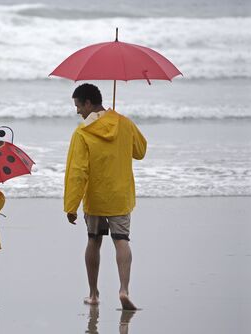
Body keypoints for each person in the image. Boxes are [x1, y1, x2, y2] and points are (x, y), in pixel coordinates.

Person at [64, 83, 147, 310]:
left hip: (95, 197)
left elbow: (77, 172)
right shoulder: (124, 123)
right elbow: (140, 151)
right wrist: (121, 128)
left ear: (88, 103)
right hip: (120, 195)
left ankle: (93, 294)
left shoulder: (82, 133)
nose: (77, 111)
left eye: (78, 106)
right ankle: (124, 290)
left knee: (94, 241)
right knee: (122, 240)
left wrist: (71, 205)